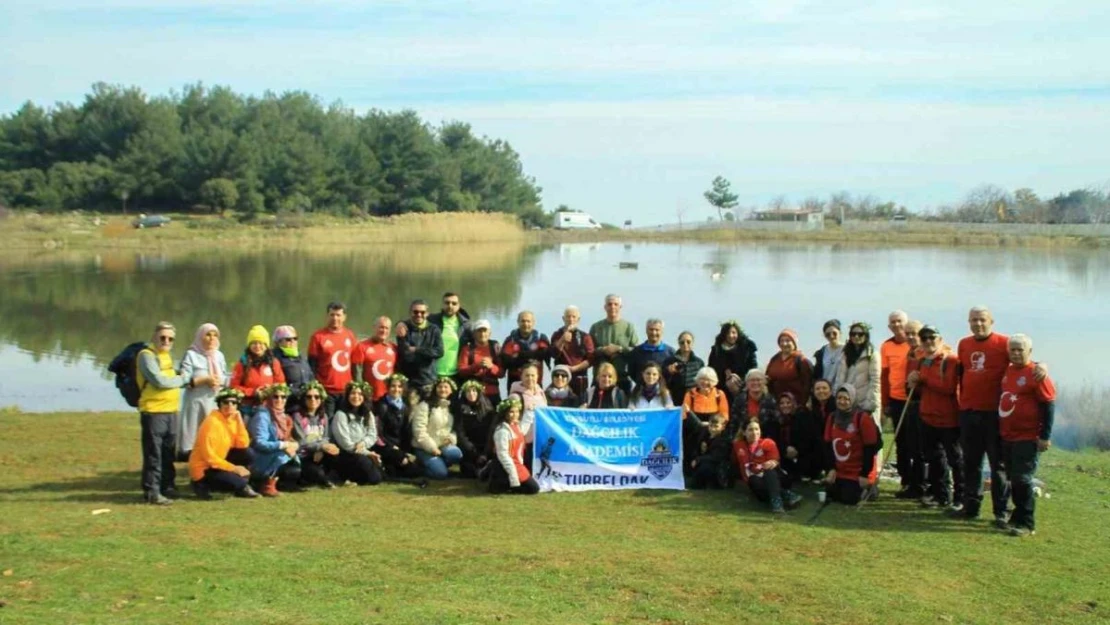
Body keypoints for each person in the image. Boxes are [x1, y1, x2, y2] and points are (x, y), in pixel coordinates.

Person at [953, 306, 1048, 525]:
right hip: (969, 412)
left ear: (991, 321)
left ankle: (1001, 511)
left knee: (999, 466)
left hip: (995, 415)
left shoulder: (1003, 343)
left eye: (982, 319)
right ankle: (971, 506)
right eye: (973, 320)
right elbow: (961, 371)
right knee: (971, 462)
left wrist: (1041, 365)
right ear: (969, 322)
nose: (978, 324)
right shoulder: (964, 344)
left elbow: (1023, 358)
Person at [998, 333, 1055, 537]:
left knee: (1023, 479)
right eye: (1012, 349)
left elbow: (1048, 406)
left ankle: (1027, 523)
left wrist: (1044, 436)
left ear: (1029, 352)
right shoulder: (1009, 370)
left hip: (1028, 436)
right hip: (1008, 435)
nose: (1015, 353)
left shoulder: (1036, 374)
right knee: (1014, 478)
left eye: (1020, 349)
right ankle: (1017, 516)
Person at [908, 325, 963, 510]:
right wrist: (912, 382)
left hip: (949, 418)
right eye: (925, 338)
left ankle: (960, 498)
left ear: (940, 339)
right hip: (928, 417)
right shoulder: (923, 361)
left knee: (955, 460)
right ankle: (941, 495)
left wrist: (923, 380)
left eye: (932, 337)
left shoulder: (951, 360)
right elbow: (920, 390)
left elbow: (947, 387)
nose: (929, 341)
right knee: (934, 458)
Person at [136, 321, 187, 505]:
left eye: (170, 338)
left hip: (171, 410)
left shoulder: (166, 356)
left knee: (167, 453)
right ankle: (152, 492)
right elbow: (159, 381)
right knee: (154, 453)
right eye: (162, 337)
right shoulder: (146, 355)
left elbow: (171, 377)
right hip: (153, 411)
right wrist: (183, 379)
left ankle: (168, 487)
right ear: (154, 336)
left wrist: (180, 377)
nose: (166, 341)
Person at [188, 388, 260, 500]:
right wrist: (234, 468)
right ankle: (200, 484)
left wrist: (240, 421)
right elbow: (209, 458)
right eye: (225, 402)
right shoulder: (211, 423)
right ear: (219, 404)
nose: (229, 405)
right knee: (239, 482)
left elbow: (243, 445)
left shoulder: (232, 420)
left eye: (234, 403)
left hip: (220, 461)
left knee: (249, 453)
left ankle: (239, 484)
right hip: (205, 468)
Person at [822, 384, 881, 505]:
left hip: (858, 471)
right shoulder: (832, 417)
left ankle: (869, 487)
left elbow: (870, 448)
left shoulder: (862, 418)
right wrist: (831, 469)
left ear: (853, 399)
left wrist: (864, 474)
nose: (842, 402)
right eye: (839, 398)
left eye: (846, 399)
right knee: (832, 495)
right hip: (841, 470)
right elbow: (827, 445)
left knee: (849, 499)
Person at [177, 322, 228, 461]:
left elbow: (225, 376)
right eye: (208, 335)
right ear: (200, 336)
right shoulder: (191, 355)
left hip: (213, 402)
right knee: (194, 439)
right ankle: (194, 468)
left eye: (214, 335)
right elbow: (184, 380)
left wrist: (221, 380)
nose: (211, 338)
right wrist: (204, 380)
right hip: (196, 403)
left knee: (212, 437)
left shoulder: (219, 356)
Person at [880, 311, 916, 496]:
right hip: (896, 400)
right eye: (892, 322)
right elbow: (884, 376)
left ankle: (920, 483)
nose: (896, 325)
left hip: (915, 400)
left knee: (916, 443)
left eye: (899, 321)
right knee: (901, 443)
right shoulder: (886, 346)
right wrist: (885, 402)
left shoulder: (916, 344)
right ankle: (906, 481)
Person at [733, 420, 803, 513]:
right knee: (753, 480)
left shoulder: (768, 443)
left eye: (757, 429)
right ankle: (786, 495)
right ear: (744, 432)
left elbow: (775, 461)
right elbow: (734, 462)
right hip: (757, 482)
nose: (754, 432)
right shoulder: (738, 445)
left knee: (769, 468)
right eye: (750, 430)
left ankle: (776, 502)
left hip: (777, 477)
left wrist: (772, 463)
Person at [893, 319, 927, 499]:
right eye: (909, 334)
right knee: (911, 447)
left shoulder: (926, 353)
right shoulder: (911, 354)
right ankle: (914, 485)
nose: (912, 337)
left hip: (924, 404)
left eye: (915, 333)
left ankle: (923, 486)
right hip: (911, 402)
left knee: (922, 449)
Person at [249, 383, 302, 496]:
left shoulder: (285, 417)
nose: (280, 400)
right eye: (275, 396)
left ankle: (276, 483)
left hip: (276, 454)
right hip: (260, 458)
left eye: (283, 397)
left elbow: (288, 438)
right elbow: (259, 443)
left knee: (296, 469)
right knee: (288, 463)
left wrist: (294, 445)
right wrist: (283, 445)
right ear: (268, 398)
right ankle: (265, 485)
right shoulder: (262, 416)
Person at [308, 301, 358, 414]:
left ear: (344, 317)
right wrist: (316, 388)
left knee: (344, 422)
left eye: (338, 315)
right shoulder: (318, 337)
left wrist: (355, 385)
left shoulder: (350, 335)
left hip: (346, 391)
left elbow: (355, 364)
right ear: (327, 316)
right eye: (332, 315)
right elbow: (312, 366)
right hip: (326, 391)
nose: (335, 318)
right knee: (328, 422)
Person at [331, 381, 385, 485]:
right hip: (347, 454)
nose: (356, 397)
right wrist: (367, 453)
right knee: (375, 478)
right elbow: (346, 444)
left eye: (360, 394)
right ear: (347, 396)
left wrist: (364, 443)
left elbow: (372, 435)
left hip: (363, 450)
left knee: (380, 470)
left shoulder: (368, 414)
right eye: (353, 393)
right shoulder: (341, 415)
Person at [764, 392, 824, 483]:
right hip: (784, 453)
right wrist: (785, 449)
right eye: (782, 403)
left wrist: (796, 450)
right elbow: (774, 440)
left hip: (802, 454)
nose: (785, 405)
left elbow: (809, 439)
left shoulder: (803, 416)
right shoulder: (776, 420)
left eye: (788, 402)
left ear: (794, 403)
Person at [411, 377, 464, 479]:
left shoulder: (452, 407)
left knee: (456, 454)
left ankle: (440, 463)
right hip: (424, 448)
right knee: (441, 474)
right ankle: (419, 465)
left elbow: (454, 429)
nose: (443, 389)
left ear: (451, 390)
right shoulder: (425, 405)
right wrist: (432, 448)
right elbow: (419, 430)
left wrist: (451, 438)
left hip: (442, 446)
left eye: (446, 387)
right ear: (435, 388)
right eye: (440, 387)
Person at [290, 380, 339, 488]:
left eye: (316, 397)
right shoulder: (297, 416)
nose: (313, 399)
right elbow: (301, 442)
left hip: (320, 453)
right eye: (309, 397)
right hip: (304, 456)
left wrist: (321, 449)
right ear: (303, 399)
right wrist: (320, 447)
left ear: (321, 399)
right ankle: (321, 479)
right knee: (317, 473)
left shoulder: (324, 416)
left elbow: (326, 437)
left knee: (337, 454)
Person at [372, 374, 423, 479]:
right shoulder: (381, 406)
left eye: (399, 386)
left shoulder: (405, 405)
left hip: (400, 445)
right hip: (385, 445)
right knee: (403, 462)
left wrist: (406, 450)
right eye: (393, 386)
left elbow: (405, 431)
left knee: (416, 470)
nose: (396, 389)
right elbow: (378, 432)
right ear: (388, 388)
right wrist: (391, 446)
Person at [681, 367, 730, 475]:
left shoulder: (719, 394)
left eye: (708, 380)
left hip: (714, 431)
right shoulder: (690, 394)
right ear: (697, 380)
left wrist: (709, 425)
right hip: (694, 430)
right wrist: (699, 424)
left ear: (714, 381)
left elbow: (724, 415)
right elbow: (684, 414)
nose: (705, 382)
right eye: (702, 379)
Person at [230, 325, 286, 417]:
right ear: (249, 345)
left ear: (266, 345)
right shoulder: (242, 363)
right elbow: (233, 387)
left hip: (270, 407)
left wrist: (270, 390)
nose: (257, 346)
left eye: (261, 343)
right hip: (247, 408)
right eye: (254, 343)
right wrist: (253, 392)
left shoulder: (273, 362)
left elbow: (281, 384)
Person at [589, 294, 640, 394]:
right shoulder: (596, 327)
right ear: (605, 307)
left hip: (622, 378)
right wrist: (603, 350)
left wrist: (619, 349)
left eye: (616, 304)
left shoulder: (628, 327)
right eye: (610, 304)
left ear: (620, 307)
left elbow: (636, 351)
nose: (612, 307)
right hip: (600, 380)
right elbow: (590, 351)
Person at [489, 397, 540, 495]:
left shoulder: (515, 425)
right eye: (511, 412)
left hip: (517, 464)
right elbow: (503, 455)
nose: (515, 415)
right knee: (531, 488)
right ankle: (494, 474)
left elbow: (523, 430)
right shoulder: (502, 431)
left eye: (517, 412)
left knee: (533, 488)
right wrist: (514, 477)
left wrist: (529, 412)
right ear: (505, 413)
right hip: (507, 464)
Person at [395, 299, 445, 397]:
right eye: (415, 312)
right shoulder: (403, 329)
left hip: (428, 380)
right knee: (410, 411)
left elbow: (439, 352)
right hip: (408, 381)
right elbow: (406, 354)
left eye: (422, 312)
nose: (419, 315)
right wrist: (428, 353)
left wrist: (417, 349)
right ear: (410, 313)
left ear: (427, 313)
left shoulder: (434, 330)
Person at [833, 322, 881, 422]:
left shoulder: (872, 354)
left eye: (860, 334)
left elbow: (875, 380)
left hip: (864, 400)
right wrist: (837, 396)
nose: (856, 336)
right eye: (853, 334)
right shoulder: (845, 353)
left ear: (866, 336)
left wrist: (870, 403)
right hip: (847, 400)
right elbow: (839, 377)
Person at [549, 305, 595, 398]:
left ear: (578, 319)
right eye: (568, 316)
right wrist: (562, 340)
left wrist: (574, 368)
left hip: (579, 378)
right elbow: (553, 354)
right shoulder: (557, 335)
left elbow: (591, 359)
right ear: (563, 318)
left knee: (579, 404)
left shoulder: (585, 337)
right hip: (561, 377)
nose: (571, 319)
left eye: (574, 317)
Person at [707, 320, 758, 403]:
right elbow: (711, 370)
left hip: (744, 388)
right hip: (721, 390)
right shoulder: (716, 351)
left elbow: (753, 368)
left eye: (733, 333)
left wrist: (740, 380)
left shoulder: (747, 348)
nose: (731, 336)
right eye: (728, 333)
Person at [455, 380, 496, 478]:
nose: (471, 394)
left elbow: (491, 432)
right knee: (468, 471)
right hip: (470, 449)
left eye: (474, 391)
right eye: (468, 392)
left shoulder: (488, 409)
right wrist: (475, 453)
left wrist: (485, 453)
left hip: (486, 447)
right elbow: (461, 434)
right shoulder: (460, 409)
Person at [456, 319, 504, 404]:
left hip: (492, 392)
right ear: (474, 334)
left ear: (490, 333)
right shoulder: (467, 349)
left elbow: (502, 373)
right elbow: (461, 371)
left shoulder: (495, 348)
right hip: (473, 393)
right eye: (479, 331)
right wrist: (476, 366)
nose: (482, 334)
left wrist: (491, 366)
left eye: (485, 331)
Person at [352, 316, 398, 403]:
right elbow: (357, 373)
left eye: (386, 328)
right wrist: (362, 392)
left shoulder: (393, 348)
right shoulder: (362, 347)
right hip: (369, 397)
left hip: (388, 398)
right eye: (381, 327)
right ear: (374, 328)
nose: (383, 331)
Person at [508, 361, 547, 460]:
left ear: (538, 376)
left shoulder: (541, 393)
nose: (530, 378)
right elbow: (512, 422)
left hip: (539, 442)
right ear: (521, 377)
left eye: (533, 375)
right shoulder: (515, 397)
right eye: (527, 375)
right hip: (524, 445)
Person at [501, 310, 551, 387]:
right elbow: (505, 362)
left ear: (533, 322)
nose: (525, 324)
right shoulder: (510, 340)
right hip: (515, 383)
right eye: (523, 321)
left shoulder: (541, 338)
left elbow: (547, 354)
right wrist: (529, 356)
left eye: (528, 321)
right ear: (518, 322)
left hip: (535, 384)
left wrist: (519, 356)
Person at [766, 328, 814, 407]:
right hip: (777, 403)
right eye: (782, 341)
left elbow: (807, 384)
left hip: (796, 404)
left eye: (788, 341)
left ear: (794, 343)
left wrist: (802, 404)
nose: (784, 344)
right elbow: (768, 378)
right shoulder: (774, 359)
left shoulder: (801, 360)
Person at [429, 292, 470, 382]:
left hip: (456, 374)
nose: (450, 306)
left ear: (459, 305)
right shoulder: (432, 320)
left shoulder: (465, 325)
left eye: (454, 303)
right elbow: (415, 320)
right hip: (433, 373)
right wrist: (401, 324)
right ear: (442, 304)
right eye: (447, 303)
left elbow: (478, 342)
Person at [663, 331, 705, 414]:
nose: (685, 344)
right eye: (682, 342)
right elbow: (663, 381)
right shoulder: (670, 361)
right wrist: (669, 372)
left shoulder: (699, 362)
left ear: (692, 343)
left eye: (688, 342)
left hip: (694, 400)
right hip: (675, 399)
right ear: (679, 344)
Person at [729, 369, 778, 440]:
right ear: (747, 383)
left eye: (758, 380)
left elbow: (775, 425)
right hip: (743, 440)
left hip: (766, 440)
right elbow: (733, 423)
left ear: (764, 382)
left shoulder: (771, 401)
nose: (755, 383)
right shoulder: (739, 400)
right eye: (752, 380)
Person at [688, 414, 730, 489]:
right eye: (711, 426)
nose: (712, 429)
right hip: (705, 462)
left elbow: (715, 457)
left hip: (719, 468)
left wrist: (698, 459)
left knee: (705, 467)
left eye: (716, 426)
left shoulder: (724, 440)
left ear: (723, 427)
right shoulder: (705, 435)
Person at [627, 318, 676, 383]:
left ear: (662, 331)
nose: (654, 333)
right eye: (651, 329)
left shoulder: (670, 352)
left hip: (663, 391)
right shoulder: (636, 352)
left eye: (657, 330)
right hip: (641, 390)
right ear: (646, 331)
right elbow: (632, 372)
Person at [272, 325, 313, 396]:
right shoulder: (275, 358)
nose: (292, 341)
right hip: (288, 400)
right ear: (278, 342)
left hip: (306, 399)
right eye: (288, 339)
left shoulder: (302, 357)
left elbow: (311, 377)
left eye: (295, 338)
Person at [812, 319, 844, 384]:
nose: (831, 336)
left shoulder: (847, 350)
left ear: (840, 333)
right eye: (828, 334)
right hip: (824, 391)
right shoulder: (821, 352)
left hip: (842, 391)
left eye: (834, 333)